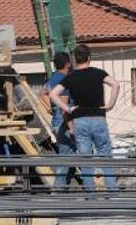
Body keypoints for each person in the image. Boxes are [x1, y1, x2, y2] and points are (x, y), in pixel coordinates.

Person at [49, 44, 120, 191]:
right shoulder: (98, 73)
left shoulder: (70, 77)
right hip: (98, 118)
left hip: (80, 120)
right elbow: (115, 85)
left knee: (85, 159)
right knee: (105, 155)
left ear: (75, 59)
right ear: (89, 57)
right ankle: (112, 191)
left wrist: (67, 108)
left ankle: (90, 193)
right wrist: (110, 105)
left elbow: (52, 94)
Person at [43, 52, 76, 187]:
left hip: (58, 120)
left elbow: (43, 93)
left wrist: (50, 108)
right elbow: (64, 105)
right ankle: (59, 189)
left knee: (68, 155)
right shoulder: (64, 80)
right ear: (67, 64)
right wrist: (71, 126)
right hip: (65, 121)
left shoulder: (53, 78)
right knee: (68, 157)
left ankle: (64, 188)